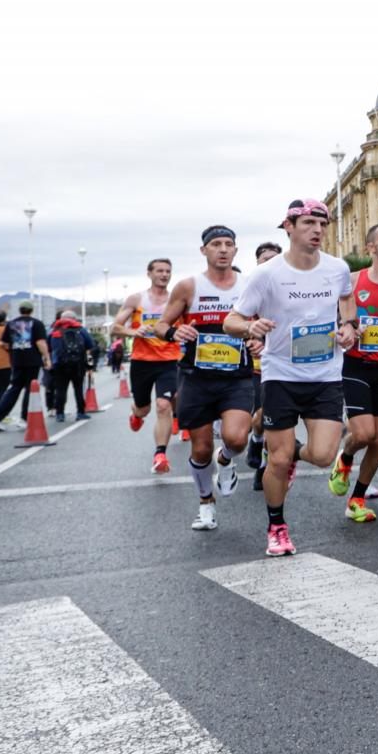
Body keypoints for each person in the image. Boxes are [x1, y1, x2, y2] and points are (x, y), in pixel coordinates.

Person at [225, 199, 357, 556]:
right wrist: (250, 325)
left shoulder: (337, 268)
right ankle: (277, 527)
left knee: (325, 455)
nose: (318, 230)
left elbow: (347, 299)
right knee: (278, 460)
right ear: (289, 226)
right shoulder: (265, 275)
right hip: (281, 375)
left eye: (323, 224)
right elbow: (231, 321)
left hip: (326, 374)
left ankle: (295, 454)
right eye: (310, 223)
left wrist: (349, 327)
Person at [154, 225, 261, 531]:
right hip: (196, 377)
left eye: (229, 244)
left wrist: (257, 340)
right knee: (200, 449)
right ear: (204, 251)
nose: (223, 249)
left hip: (237, 375)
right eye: (216, 244)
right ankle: (206, 504)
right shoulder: (189, 287)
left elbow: (260, 323)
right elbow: (160, 326)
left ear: (236, 251)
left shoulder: (249, 284)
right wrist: (176, 331)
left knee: (237, 439)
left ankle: (226, 461)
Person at [327, 223, 378, 522]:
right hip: (357, 366)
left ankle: (357, 498)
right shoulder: (351, 280)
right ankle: (345, 457)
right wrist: (344, 330)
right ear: (371, 248)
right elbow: (334, 319)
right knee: (363, 433)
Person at [113, 259, 183, 473]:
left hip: (170, 361)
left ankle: (160, 454)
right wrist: (132, 332)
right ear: (149, 274)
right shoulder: (136, 299)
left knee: (164, 405)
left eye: (168, 271)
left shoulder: (177, 300)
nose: (164, 274)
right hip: (142, 362)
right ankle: (136, 415)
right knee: (144, 408)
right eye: (160, 271)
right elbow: (115, 327)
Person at [246, 241, 281, 486]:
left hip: (285, 367)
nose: (269, 263)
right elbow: (234, 322)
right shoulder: (250, 289)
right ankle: (256, 441)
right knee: (261, 416)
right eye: (264, 259)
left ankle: (264, 466)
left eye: (274, 259)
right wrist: (251, 338)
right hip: (256, 367)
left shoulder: (293, 288)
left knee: (275, 420)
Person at [0, 302, 51, 428]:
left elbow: (3, 343)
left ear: (19, 310)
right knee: (31, 389)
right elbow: (40, 342)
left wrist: (14, 350)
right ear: (31, 310)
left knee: (15, 387)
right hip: (33, 359)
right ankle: (25, 418)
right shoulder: (37, 323)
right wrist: (47, 358)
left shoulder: (11, 324)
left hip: (17, 360)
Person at [47, 309, 96, 422]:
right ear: (74, 319)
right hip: (78, 364)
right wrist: (90, 366)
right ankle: (80, 412)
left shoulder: (53, 331)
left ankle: (60, 414)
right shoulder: (81, 330)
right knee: (78, 389)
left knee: (60, 390)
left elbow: (49, 348)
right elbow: (90, 346)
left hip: (59, 365)